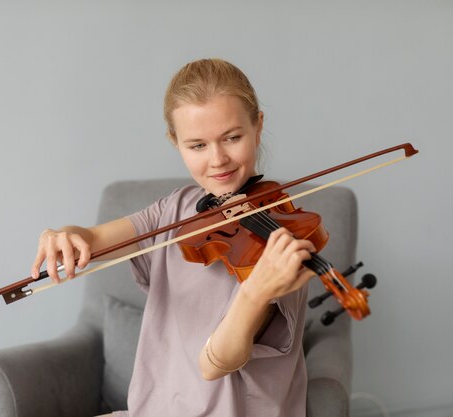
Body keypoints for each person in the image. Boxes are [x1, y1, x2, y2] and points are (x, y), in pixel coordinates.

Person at [31, 58, 315, 417]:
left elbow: (217, 364)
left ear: (258, 126)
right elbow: (92, 237)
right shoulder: (175, 209)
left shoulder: (282, 236)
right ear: (175, 142)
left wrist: (256, 291)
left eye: (232, 137)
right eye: (197, 145)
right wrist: (62, 235)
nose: (218, 160)